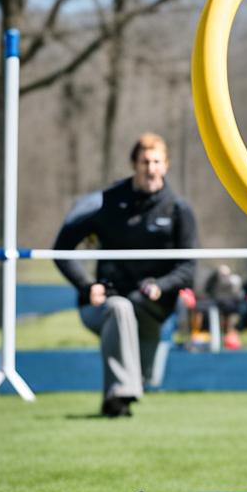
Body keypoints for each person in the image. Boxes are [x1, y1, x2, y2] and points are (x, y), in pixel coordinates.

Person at [54, 132, 198, 418]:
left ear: (166, 165)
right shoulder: (106, 202)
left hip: (151, 307)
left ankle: (123, 394)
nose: (151, 168)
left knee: (144, 373)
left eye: (157, 161)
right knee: (120, 308)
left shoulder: (179, 210)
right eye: (145, 161)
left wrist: (161, 286)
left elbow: (189, 268)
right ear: (134, 164)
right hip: (106, 302)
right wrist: (85, 286)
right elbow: (61, 248)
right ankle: (121, 394)